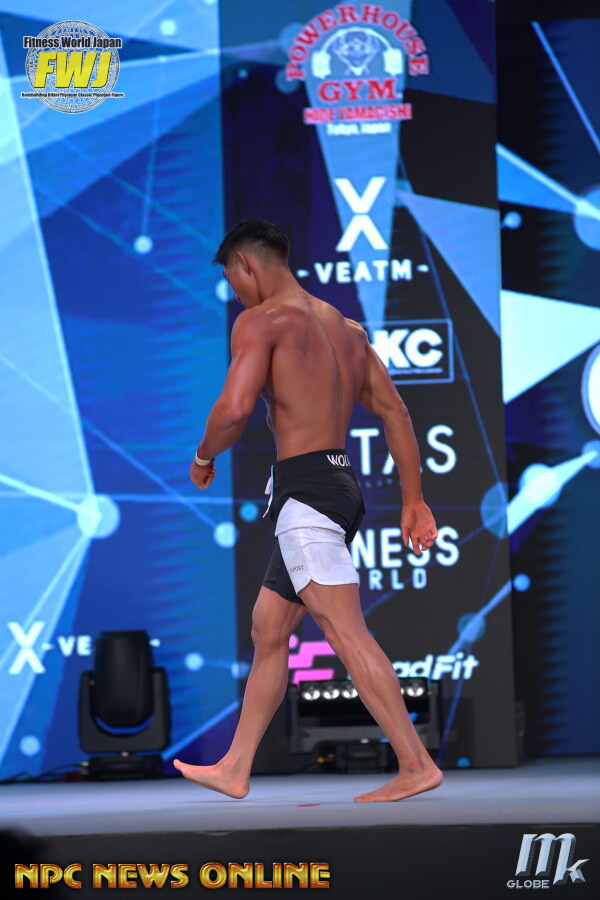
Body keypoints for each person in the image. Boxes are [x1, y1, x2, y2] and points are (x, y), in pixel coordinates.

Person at [173, 219, 443, 802]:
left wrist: (202, 456)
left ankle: (416, 763)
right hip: (336, 487)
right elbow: (395, 412)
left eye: (232, 280)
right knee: (268, 628)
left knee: (345, 632)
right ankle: (235, 767)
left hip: (307, 495)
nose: (235, 295)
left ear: (246, 264)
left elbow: (234, 408)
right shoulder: (346, 330)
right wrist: (413, 499)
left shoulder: (262, 322)